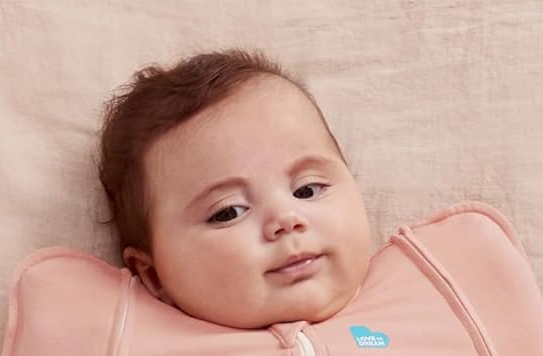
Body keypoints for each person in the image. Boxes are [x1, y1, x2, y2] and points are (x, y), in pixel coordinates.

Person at [97, 49, 377, 329]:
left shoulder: (403, 285)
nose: (285, 219)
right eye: (228, 212)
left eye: (307, 190)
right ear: (155, 276)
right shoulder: (129, 341)